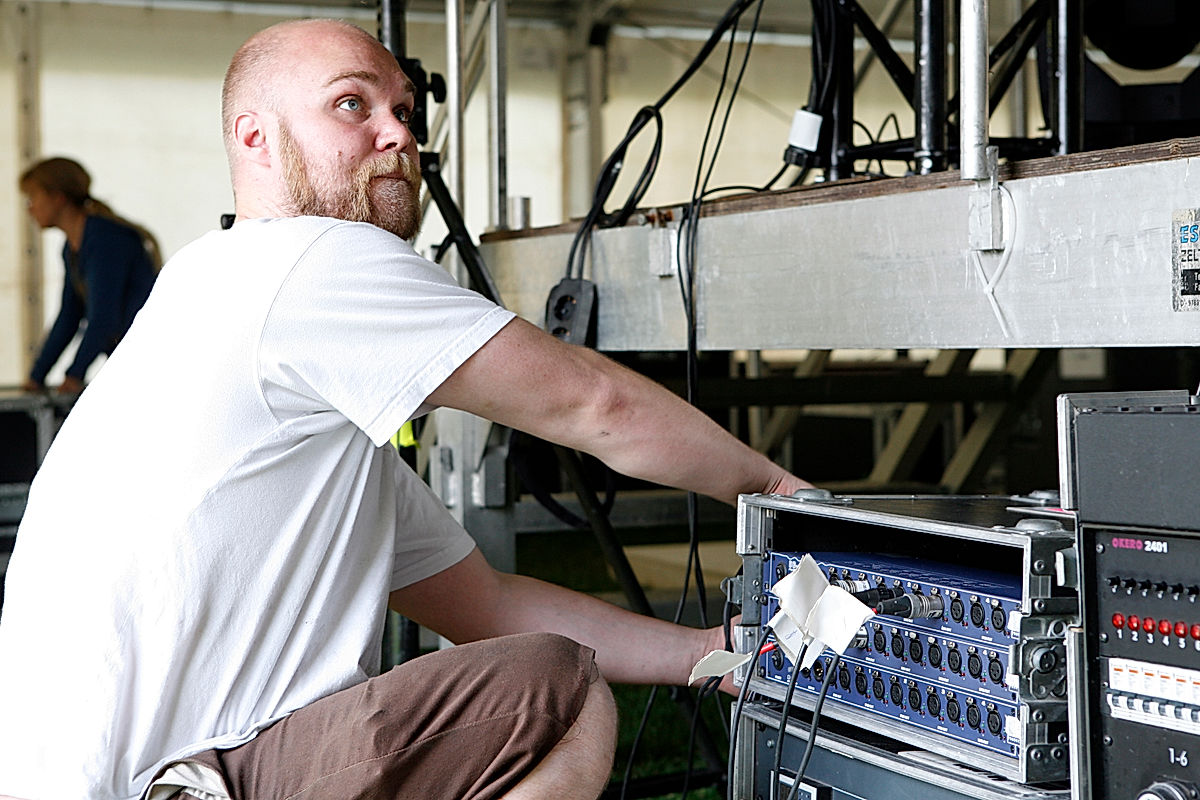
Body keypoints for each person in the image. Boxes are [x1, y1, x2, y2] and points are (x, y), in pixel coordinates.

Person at [0, 18, 812, 800]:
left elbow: (484, 605)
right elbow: (593, 405)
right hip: (175, 782)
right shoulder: (309, 258)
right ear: (254, 138)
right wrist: (781, 493)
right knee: (562, 693)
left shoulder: (228, 317)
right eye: (351, 104)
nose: (397, 135)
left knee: (540, 675)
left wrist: (712, 655)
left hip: (126, 774)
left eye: (403, 111)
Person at [18, 157, 160, 395]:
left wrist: (75, 374)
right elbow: (69, 316)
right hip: (131, 361)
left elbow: (104, 317)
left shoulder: (105, 239)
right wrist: (37, 376)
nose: (30, 208)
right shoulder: (73, 247)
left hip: (151, 363)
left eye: (33, 198)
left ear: (57, 197)